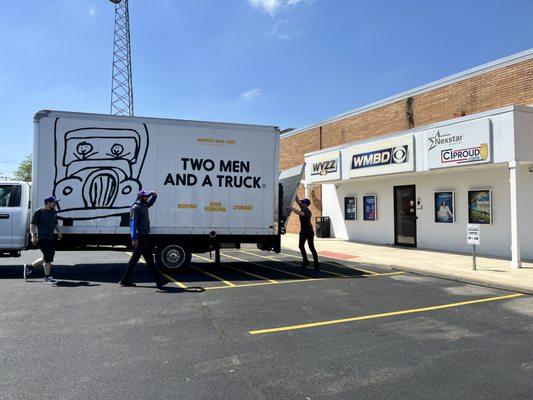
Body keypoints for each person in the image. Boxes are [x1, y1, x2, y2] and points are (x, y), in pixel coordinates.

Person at [120, 190, 165, 289]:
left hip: (144, 237)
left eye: (147, 196)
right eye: (146, 196)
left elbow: (151, 203)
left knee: (143, 259)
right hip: (140, 237)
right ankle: (158, 280)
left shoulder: (144, 206)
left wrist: (154, 196)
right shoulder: (136, 208)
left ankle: (125, 279)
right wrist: (134, 238)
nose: (147, 198)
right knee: (141, 259)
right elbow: (133, 223)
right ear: (141, 197)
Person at [23, 196, 62, 284]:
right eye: (54, 202)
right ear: (48, 203)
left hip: (51, 237)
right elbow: (32, 225)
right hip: (42, 238)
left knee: (46, 257)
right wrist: (33, 236)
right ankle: (47, 277)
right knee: (48, 257)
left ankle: (29, 267)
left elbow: (55, 223)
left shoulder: (53, 211)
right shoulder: (39, 212)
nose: (55, 203)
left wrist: (59, 231)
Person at [289, 194, 320, 271]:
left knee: (311, 247)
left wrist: (292, 208)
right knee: (301, 246)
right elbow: (297, 200)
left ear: (306, 205)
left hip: (309, 232)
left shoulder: (307, 211)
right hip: (303, 231)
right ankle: (305, 261)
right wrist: (294, 193)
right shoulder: (303, 207)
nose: (301, 203)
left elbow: (300, 214)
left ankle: (316, 264)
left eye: (302, 203)